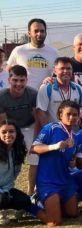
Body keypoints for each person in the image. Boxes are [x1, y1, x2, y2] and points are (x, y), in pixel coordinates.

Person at [31, 57, 82, 196]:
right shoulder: (47, 87)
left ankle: (70, 192)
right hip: (53, 134)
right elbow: (41, 111)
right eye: (62, 68)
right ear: (54, 71)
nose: (65, 71)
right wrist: (53, 132)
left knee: (70, 163)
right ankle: (37, 193)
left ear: (72, 71)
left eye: (68, 68)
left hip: (73, 134)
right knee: (45, 164)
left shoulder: (78, 88)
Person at [31, 100, 80, 226]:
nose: (71, 117)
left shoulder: (75, 136)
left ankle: (54, 204)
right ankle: (35, 202)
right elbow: (34, 148)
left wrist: (72, 162)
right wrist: (53, 146)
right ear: (60, 115)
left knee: (73, 214)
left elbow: (69, 159)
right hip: (48, 181)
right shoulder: (51, 128)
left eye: (75, 115)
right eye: (68, 114)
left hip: (65, 180)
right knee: (55, 222)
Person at [0, 65, 38, 194]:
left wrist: (36, 140)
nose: (18, 84)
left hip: (29, 126)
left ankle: (31, 192)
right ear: (9, 80)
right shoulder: (2, 96)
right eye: (15, 80)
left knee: (35, 157)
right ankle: (5, 190)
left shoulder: (33, 94)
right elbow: (3, 123)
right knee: (6, 158)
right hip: (10, 128)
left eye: (22, 80)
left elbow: (37, 119)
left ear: (26, 80)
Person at [0, 120, 45, 225]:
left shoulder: (18, 150)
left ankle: (8, 207)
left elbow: (12, 178)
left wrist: (6, 192)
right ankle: (2, 214)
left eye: (11, 131)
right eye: (4, 132)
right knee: (2, 198)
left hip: (6, 188)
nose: (8, 135)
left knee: (25, 200)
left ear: (17, 133)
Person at [6, 18, 58, 91]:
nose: (39, 34)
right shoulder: (19, 51)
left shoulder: (54, 52)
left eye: (42, 31)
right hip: (24, 96)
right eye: (36, 31)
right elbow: (7, 72)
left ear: (46, 33)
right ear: (29, 33)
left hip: (46, 95)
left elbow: (58, 74)